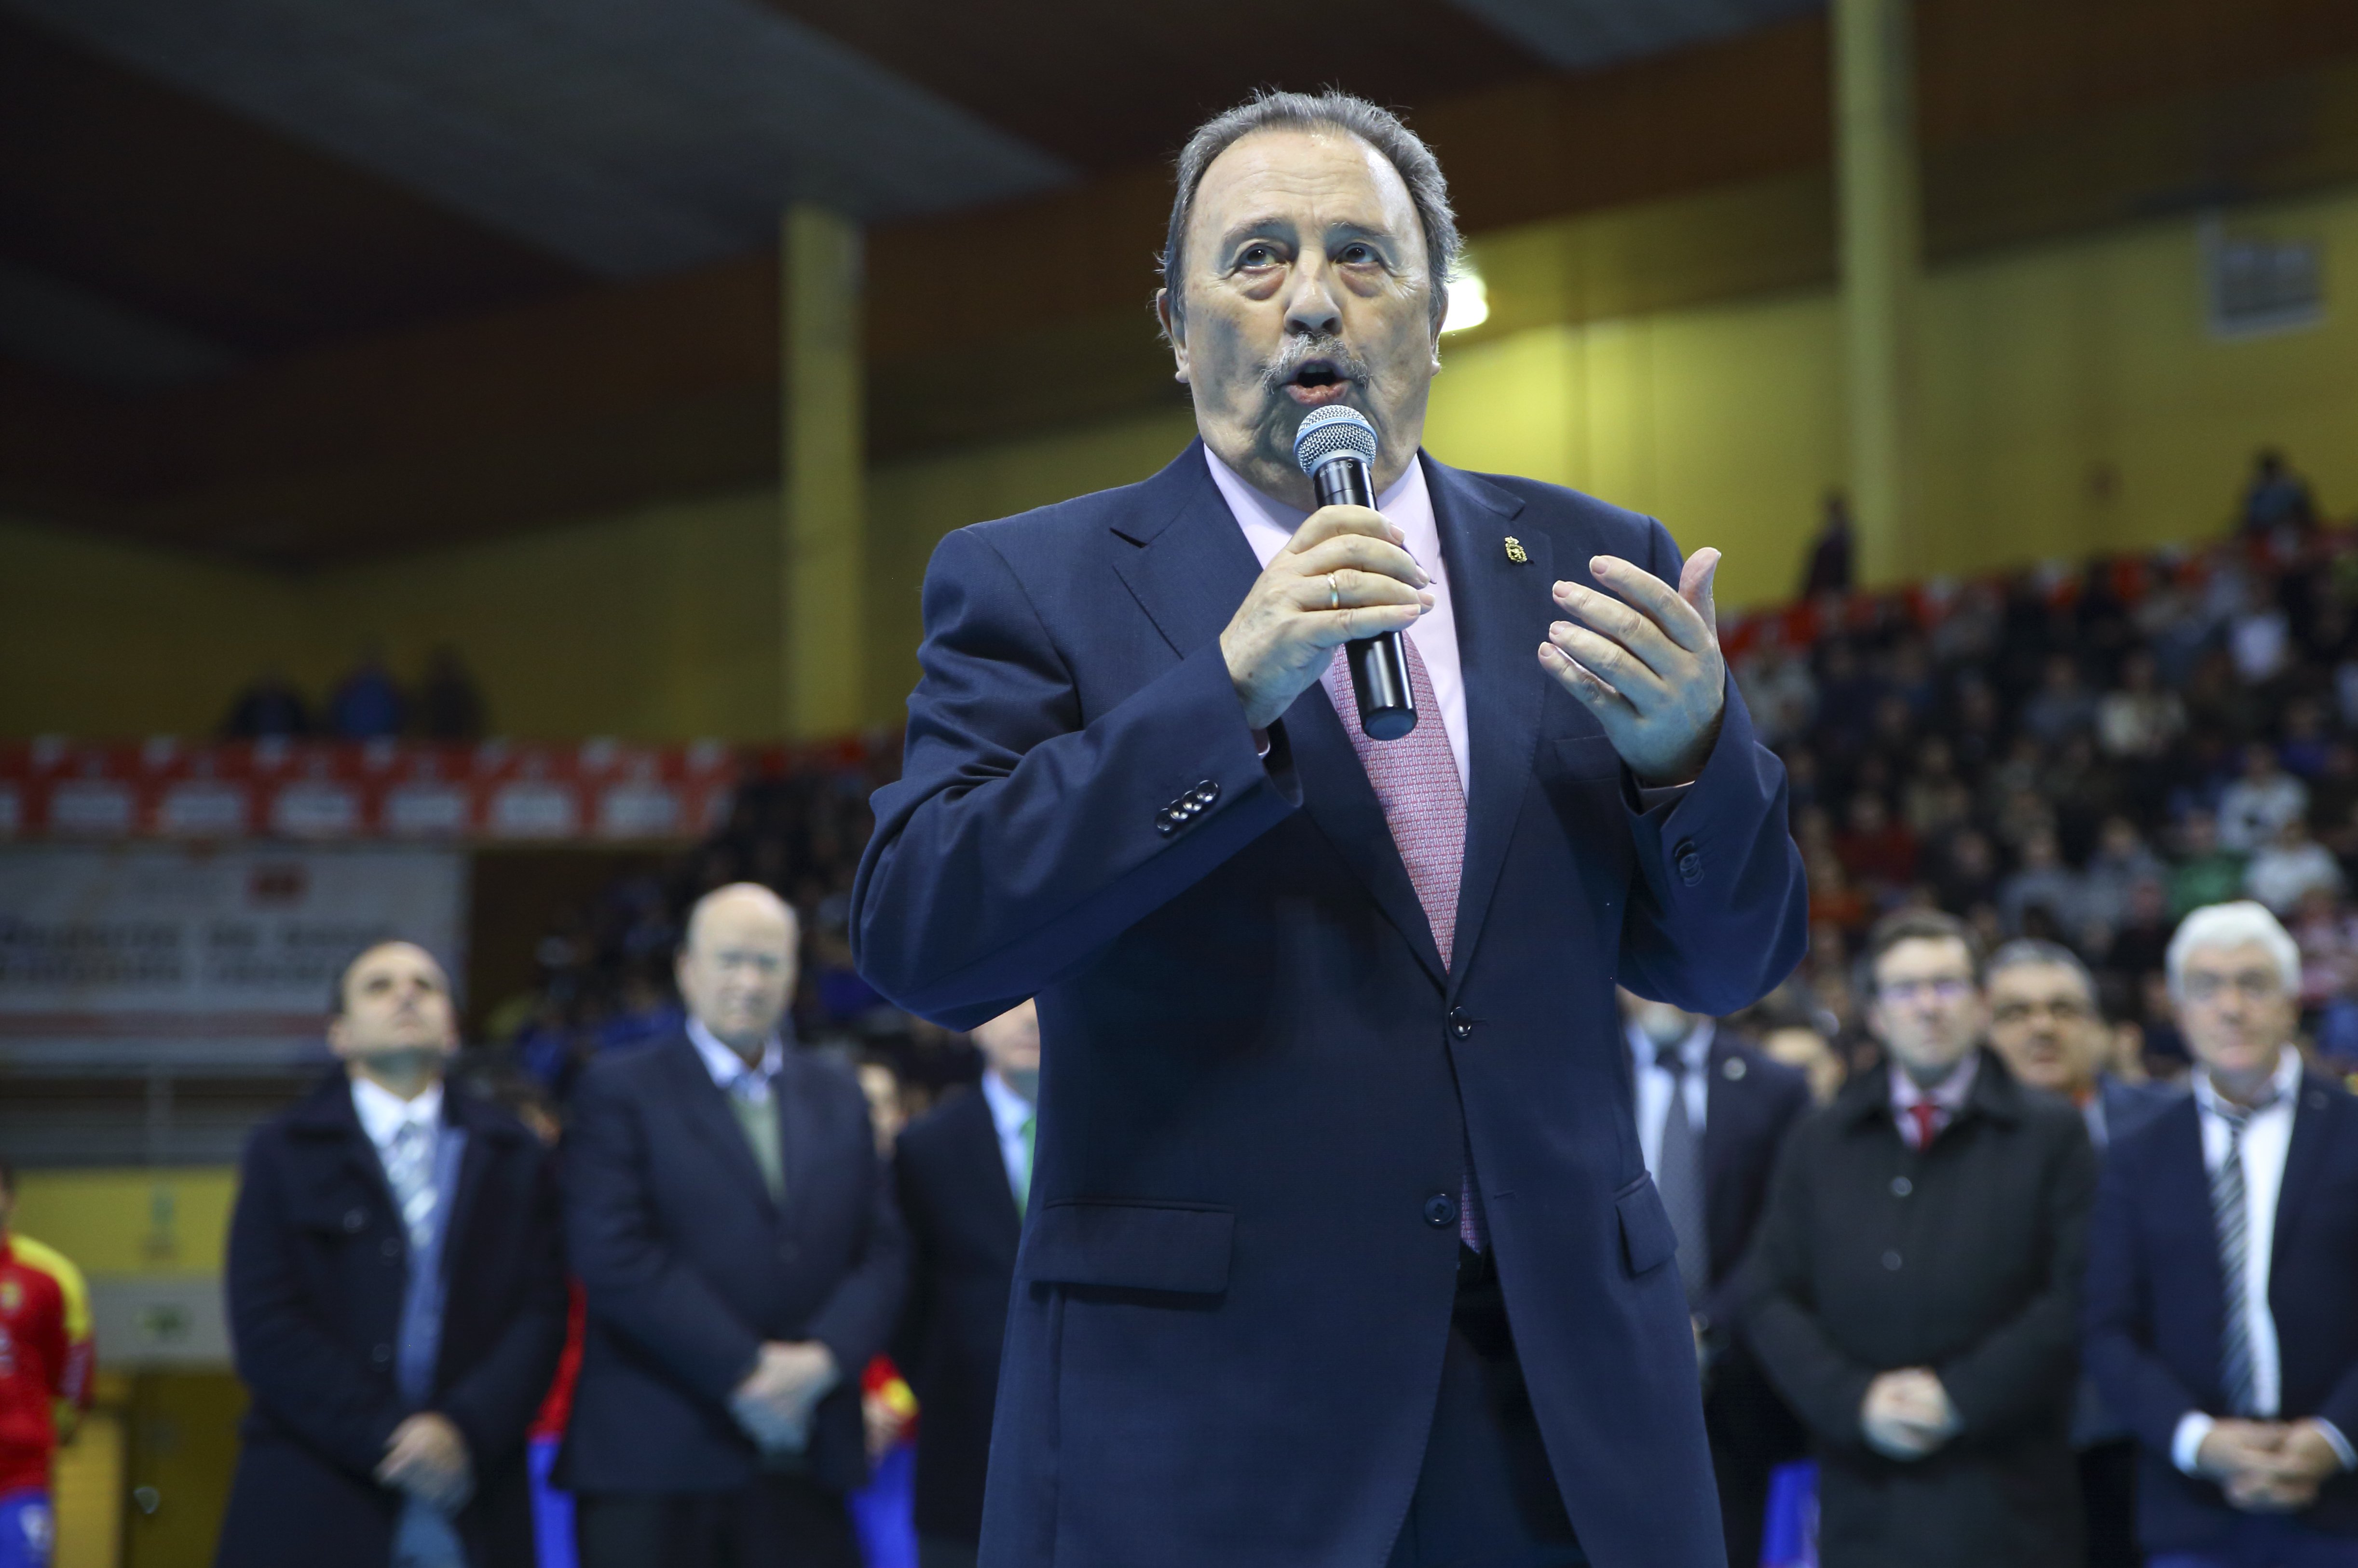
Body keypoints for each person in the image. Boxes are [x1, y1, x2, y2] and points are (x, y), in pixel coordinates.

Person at [851, 89, 1808, 1568]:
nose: (1313, 298)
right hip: (1208, 1416)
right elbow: (926, 936)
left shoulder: (1587, 559)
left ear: (1434, 315)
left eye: (1365, 257)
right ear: (1174, 326)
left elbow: (1730, 957)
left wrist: (1691, 761)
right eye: (1257, 260)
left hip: (1560, 1402)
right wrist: (1226, 691)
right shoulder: (1031, 583)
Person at [561, 884, 908, 1568]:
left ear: (793, 974)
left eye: (768, 962)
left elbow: (884, 1250)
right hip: (654, 1454)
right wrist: (747, 1370)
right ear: (686, 969)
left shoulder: (840, 1092)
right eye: (729, 960)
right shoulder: (618, 1087)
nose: (748, 982)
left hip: (807, 1453)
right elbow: (612, 1253)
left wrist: (822, 1361)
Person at [1745, 909, 2098, 1568]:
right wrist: (1855, 1400)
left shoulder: (2053, 1136)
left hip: (2010, 1497)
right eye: (1906, 989)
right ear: (1875, 1014)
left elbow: (2074, 1296)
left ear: (1982, 1003)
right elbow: (1766, 1293)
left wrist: (1957, 1397)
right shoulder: (1819, 1138)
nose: (1928, 1007)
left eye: (1948, 985)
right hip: (1862, 1498)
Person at [218, 942, 569, 1568]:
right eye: (379, 986)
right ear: (339, 1034)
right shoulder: (281, 1152)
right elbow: (266, 1320)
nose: (406, 994)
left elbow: (540, 1311)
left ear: (454, 1029)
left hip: (475, 1484)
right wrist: (386, 1435)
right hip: (313, 1483)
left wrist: (463, 1429)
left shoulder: (514, 1151)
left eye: (426, 986)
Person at [2084, 901, 2358, 1568]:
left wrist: (2336, 1437)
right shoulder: (2137, 1153)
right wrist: (2196, 1440)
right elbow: (2105, 1327)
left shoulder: (2352, 1131)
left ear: (2293, 1002)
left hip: (2342, 1503)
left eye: (2253, 984)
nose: (2230, 1007)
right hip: (2191, 1507)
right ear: (2178, 1011)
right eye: (2206, 987)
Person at [1985, 939, 2182, 1568]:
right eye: (2015, 1013)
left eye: (2064, 1009)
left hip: (2143, 1440)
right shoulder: (1942, 1139)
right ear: (1983, 1032)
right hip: (1999, 1438)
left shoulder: (2171, 1127)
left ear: (2100, 1029)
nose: (2042, 1026)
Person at [1619, 991, 1813, 1568]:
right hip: (1609, 1371)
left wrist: (1705, 1330)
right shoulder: (1575, 1076)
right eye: (1636, 972)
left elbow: (1784, 1234)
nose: (1654, 989)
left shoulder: (1775, 1088)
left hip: (1735, 1383)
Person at [892, 1002, 1039, 1568]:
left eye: (1044, 998)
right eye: (1010, 1002)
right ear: (977, 1020)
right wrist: (945, 1385)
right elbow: (904, 1301)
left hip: (1102, 1453)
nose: (1029, 1019)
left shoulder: (1112, 1132)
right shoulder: (925, 1149)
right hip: (963, 1459)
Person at [0, 1160, 92, 1568]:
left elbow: (73, 1365)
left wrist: (62, 1424)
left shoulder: (50, 1277)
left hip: (21, 1477)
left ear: (12, 1202)